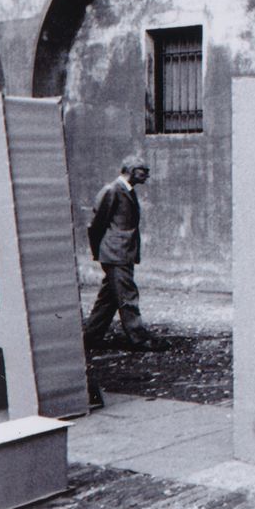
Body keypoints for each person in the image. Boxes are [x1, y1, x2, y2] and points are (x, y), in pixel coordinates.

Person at [82, 155, 166, 408]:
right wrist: (101, 252)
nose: (147, 175)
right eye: (143, 171)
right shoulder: (112, 190)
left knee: (108, 299)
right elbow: (96, 224)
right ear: (130, 170)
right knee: (127, 296)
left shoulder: (126, 190)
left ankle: (91, 336)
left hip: (120, 252)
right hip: (116, 253)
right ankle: (139, 338)